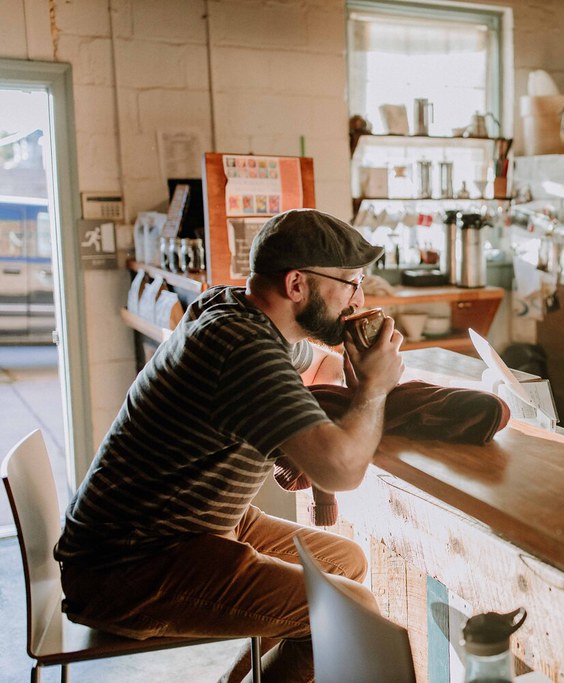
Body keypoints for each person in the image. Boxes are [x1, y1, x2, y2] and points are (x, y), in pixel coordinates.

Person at [54, 208, 404, 682]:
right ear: (297, 284)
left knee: (345, 561)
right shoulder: (240, 347)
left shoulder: (238, 311)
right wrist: (375, 390)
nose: (358, 297)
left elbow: (312, 368)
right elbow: (340, 470)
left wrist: (358, 369)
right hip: (129, 565)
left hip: (186, 529)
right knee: (350, 610)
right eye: (350, 283)